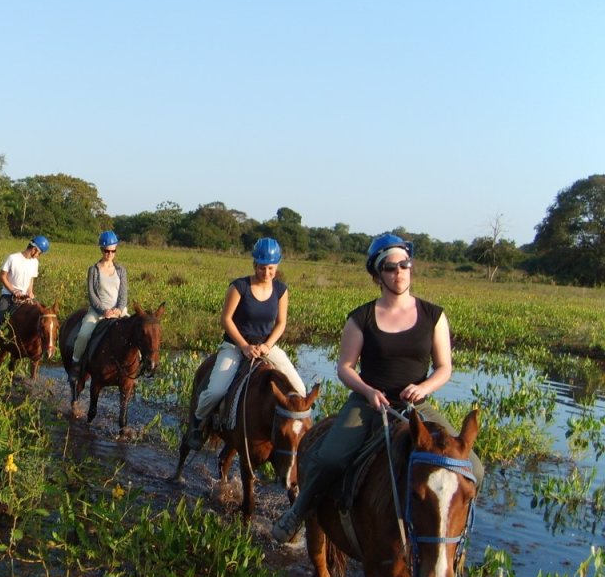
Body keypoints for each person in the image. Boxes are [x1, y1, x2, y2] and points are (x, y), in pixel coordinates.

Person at [270, 233, 485, 543]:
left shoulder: (433, 316)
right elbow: (345, 367)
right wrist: (368, 391)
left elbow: (444, 368)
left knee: (473, 468)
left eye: (404, 265)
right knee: (329, 458)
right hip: (368, 403)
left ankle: (452, 534)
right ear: (377, 275)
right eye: (390, 267)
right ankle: (298, 513)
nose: (399, 272)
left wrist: (424, 387)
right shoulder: (362, 318)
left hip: (416, 407)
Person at [184, 237, 307, 451]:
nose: (266, 273)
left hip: (266, 347)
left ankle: (296, 435)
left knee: (300, 389)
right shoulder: (239, 286)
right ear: (254, 265)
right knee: (215, 391)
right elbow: (226, 319)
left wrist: (267, 346)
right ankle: (197, 423)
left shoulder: (281, 290)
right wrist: (243, 346)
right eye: (261, 268)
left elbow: (281, 323)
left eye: (270, 268)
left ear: (276, 266)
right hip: (235, 346)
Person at [68, 230, 128, 379]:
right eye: (107, 251)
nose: (110, 254)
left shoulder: (121, 270)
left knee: (137, 330)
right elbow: (92, 294)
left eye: (113, 251)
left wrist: (119, 310)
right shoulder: (94, 270)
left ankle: (134, 367)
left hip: (118, 310)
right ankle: (75, 363)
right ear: (101, 250)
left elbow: (123, 293)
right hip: (97, 311)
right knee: (84, 334)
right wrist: (104, 311)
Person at [0, 235, 50, 345]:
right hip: (9, 295)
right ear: (34, 249)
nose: (39, 256)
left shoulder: (35, 262)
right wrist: (13, 291)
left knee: (41, 317)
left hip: (25, 297)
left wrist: (30, 292)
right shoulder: (12, 258)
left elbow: (31, 279)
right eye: (39, 253)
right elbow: (2, 277)